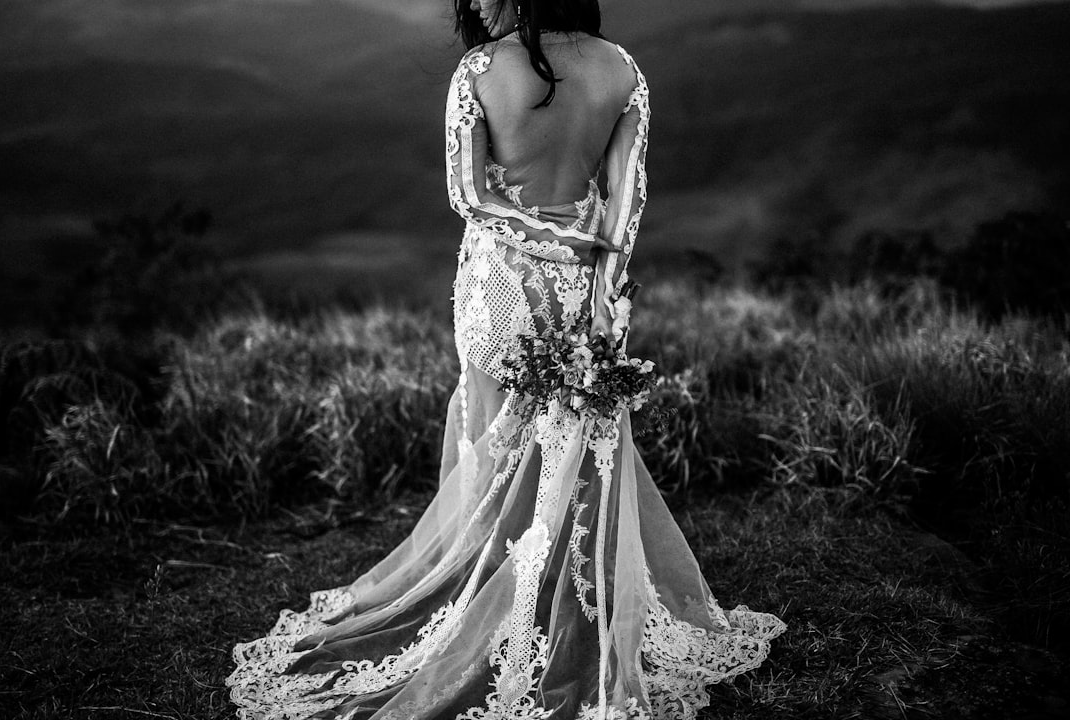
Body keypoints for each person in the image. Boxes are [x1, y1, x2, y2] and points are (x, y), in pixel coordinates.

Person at [225, 1, 786, 718]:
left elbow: (469, 195)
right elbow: (626, 202)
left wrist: (550, 247)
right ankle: (556, 597)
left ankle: (493, 593)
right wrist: (604, 283)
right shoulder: (624, 71)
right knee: (572, 439)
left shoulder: (480, 71)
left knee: (493, 431)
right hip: (582, 288)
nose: (474, 4)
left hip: (502, 283)